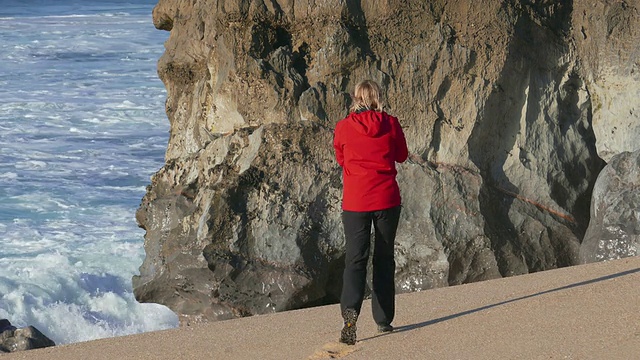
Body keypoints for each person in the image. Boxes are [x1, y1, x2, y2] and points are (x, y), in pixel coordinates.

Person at [332, 79, 408, 345]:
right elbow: (402, 155)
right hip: (386, 199)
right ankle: (383, 320)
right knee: (383, 259)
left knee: (355, 260)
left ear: (355, 98)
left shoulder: (343, 127)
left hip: (355, 202)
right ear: (378, 97)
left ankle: (350, 318)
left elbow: (341, 158)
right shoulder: (391, 123)